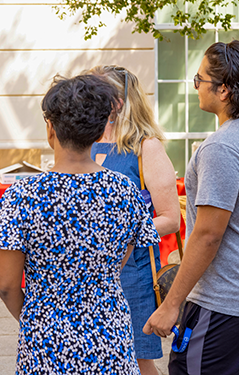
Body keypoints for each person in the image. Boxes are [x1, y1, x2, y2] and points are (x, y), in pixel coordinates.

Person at [0, 74, 161, 374]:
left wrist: (37, 318)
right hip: (110, 333)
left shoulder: (23, 195)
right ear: (103, 128)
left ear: (50, 128)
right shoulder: (124, 191)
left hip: (46, 339)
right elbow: (118, 262)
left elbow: (7, 286)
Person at [144, 40, 239, 375]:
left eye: (199, 80)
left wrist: (171, 304)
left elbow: (208, 235)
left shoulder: (221, 147)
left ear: (223, 90)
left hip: (227, 302)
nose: (195, 87)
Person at [87, 65, 180, 375]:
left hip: (133, 274)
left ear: (118, 100)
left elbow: (170, 218)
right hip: (91, 273)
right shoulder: (87, 144)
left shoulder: (146, 147)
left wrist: (120, 232)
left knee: (139, 362)